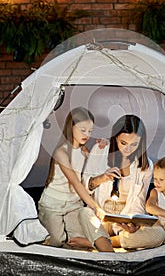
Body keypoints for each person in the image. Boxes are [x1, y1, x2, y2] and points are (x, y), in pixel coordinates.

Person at [68, 114, 165, 250]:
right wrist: (101, 178)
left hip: (123, 221)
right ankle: (105, 241)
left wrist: (133, 224)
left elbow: (139, 202)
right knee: (84, 213)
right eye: (123, 143)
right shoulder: (101, 150)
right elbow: (84, 188)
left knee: (158, 234)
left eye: (134, 144)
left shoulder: (146, 166)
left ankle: (95, 243)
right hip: (99, 217)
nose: (127, 149)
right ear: (115, 138)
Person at [38, 107, 114, 252]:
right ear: (71, 126)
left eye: (90, 131)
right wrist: (94, 206)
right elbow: (76, 183)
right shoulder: (61, 152)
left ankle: (90, 246)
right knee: (57, 241)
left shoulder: (83, 149)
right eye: (83, 130)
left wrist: (101, 145)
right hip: (53, 203)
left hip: (73, 204)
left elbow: (94, 161)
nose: (87, 134)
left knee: (76, 240)